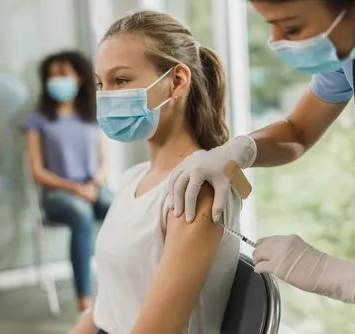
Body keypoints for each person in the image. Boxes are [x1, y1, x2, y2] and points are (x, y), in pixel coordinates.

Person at [168, 0, 355, 321]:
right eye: (269, 25)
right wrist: (240, 150)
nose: (276, 41)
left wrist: (335, 275)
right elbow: (298, 131)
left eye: (292, 27)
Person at [70, 10, 241, 334]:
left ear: (177, 81)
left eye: (120, 80)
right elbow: (109, 303)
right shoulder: (134, 178)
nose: (106, 96)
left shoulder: (196, 189)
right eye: (100, 83)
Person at [23, 51, 112, 311]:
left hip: (91, 187)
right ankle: (84, 300)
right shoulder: (37, 120)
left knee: (119, 208)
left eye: (62, 74)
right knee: (82, 214)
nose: (55, 80)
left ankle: (124, 282)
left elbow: (104, 163)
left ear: (80, 78)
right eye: (50, 76)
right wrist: (76, 188)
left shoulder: (91, 117)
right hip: (57, 194)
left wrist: (93, 185)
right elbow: (37, 172)